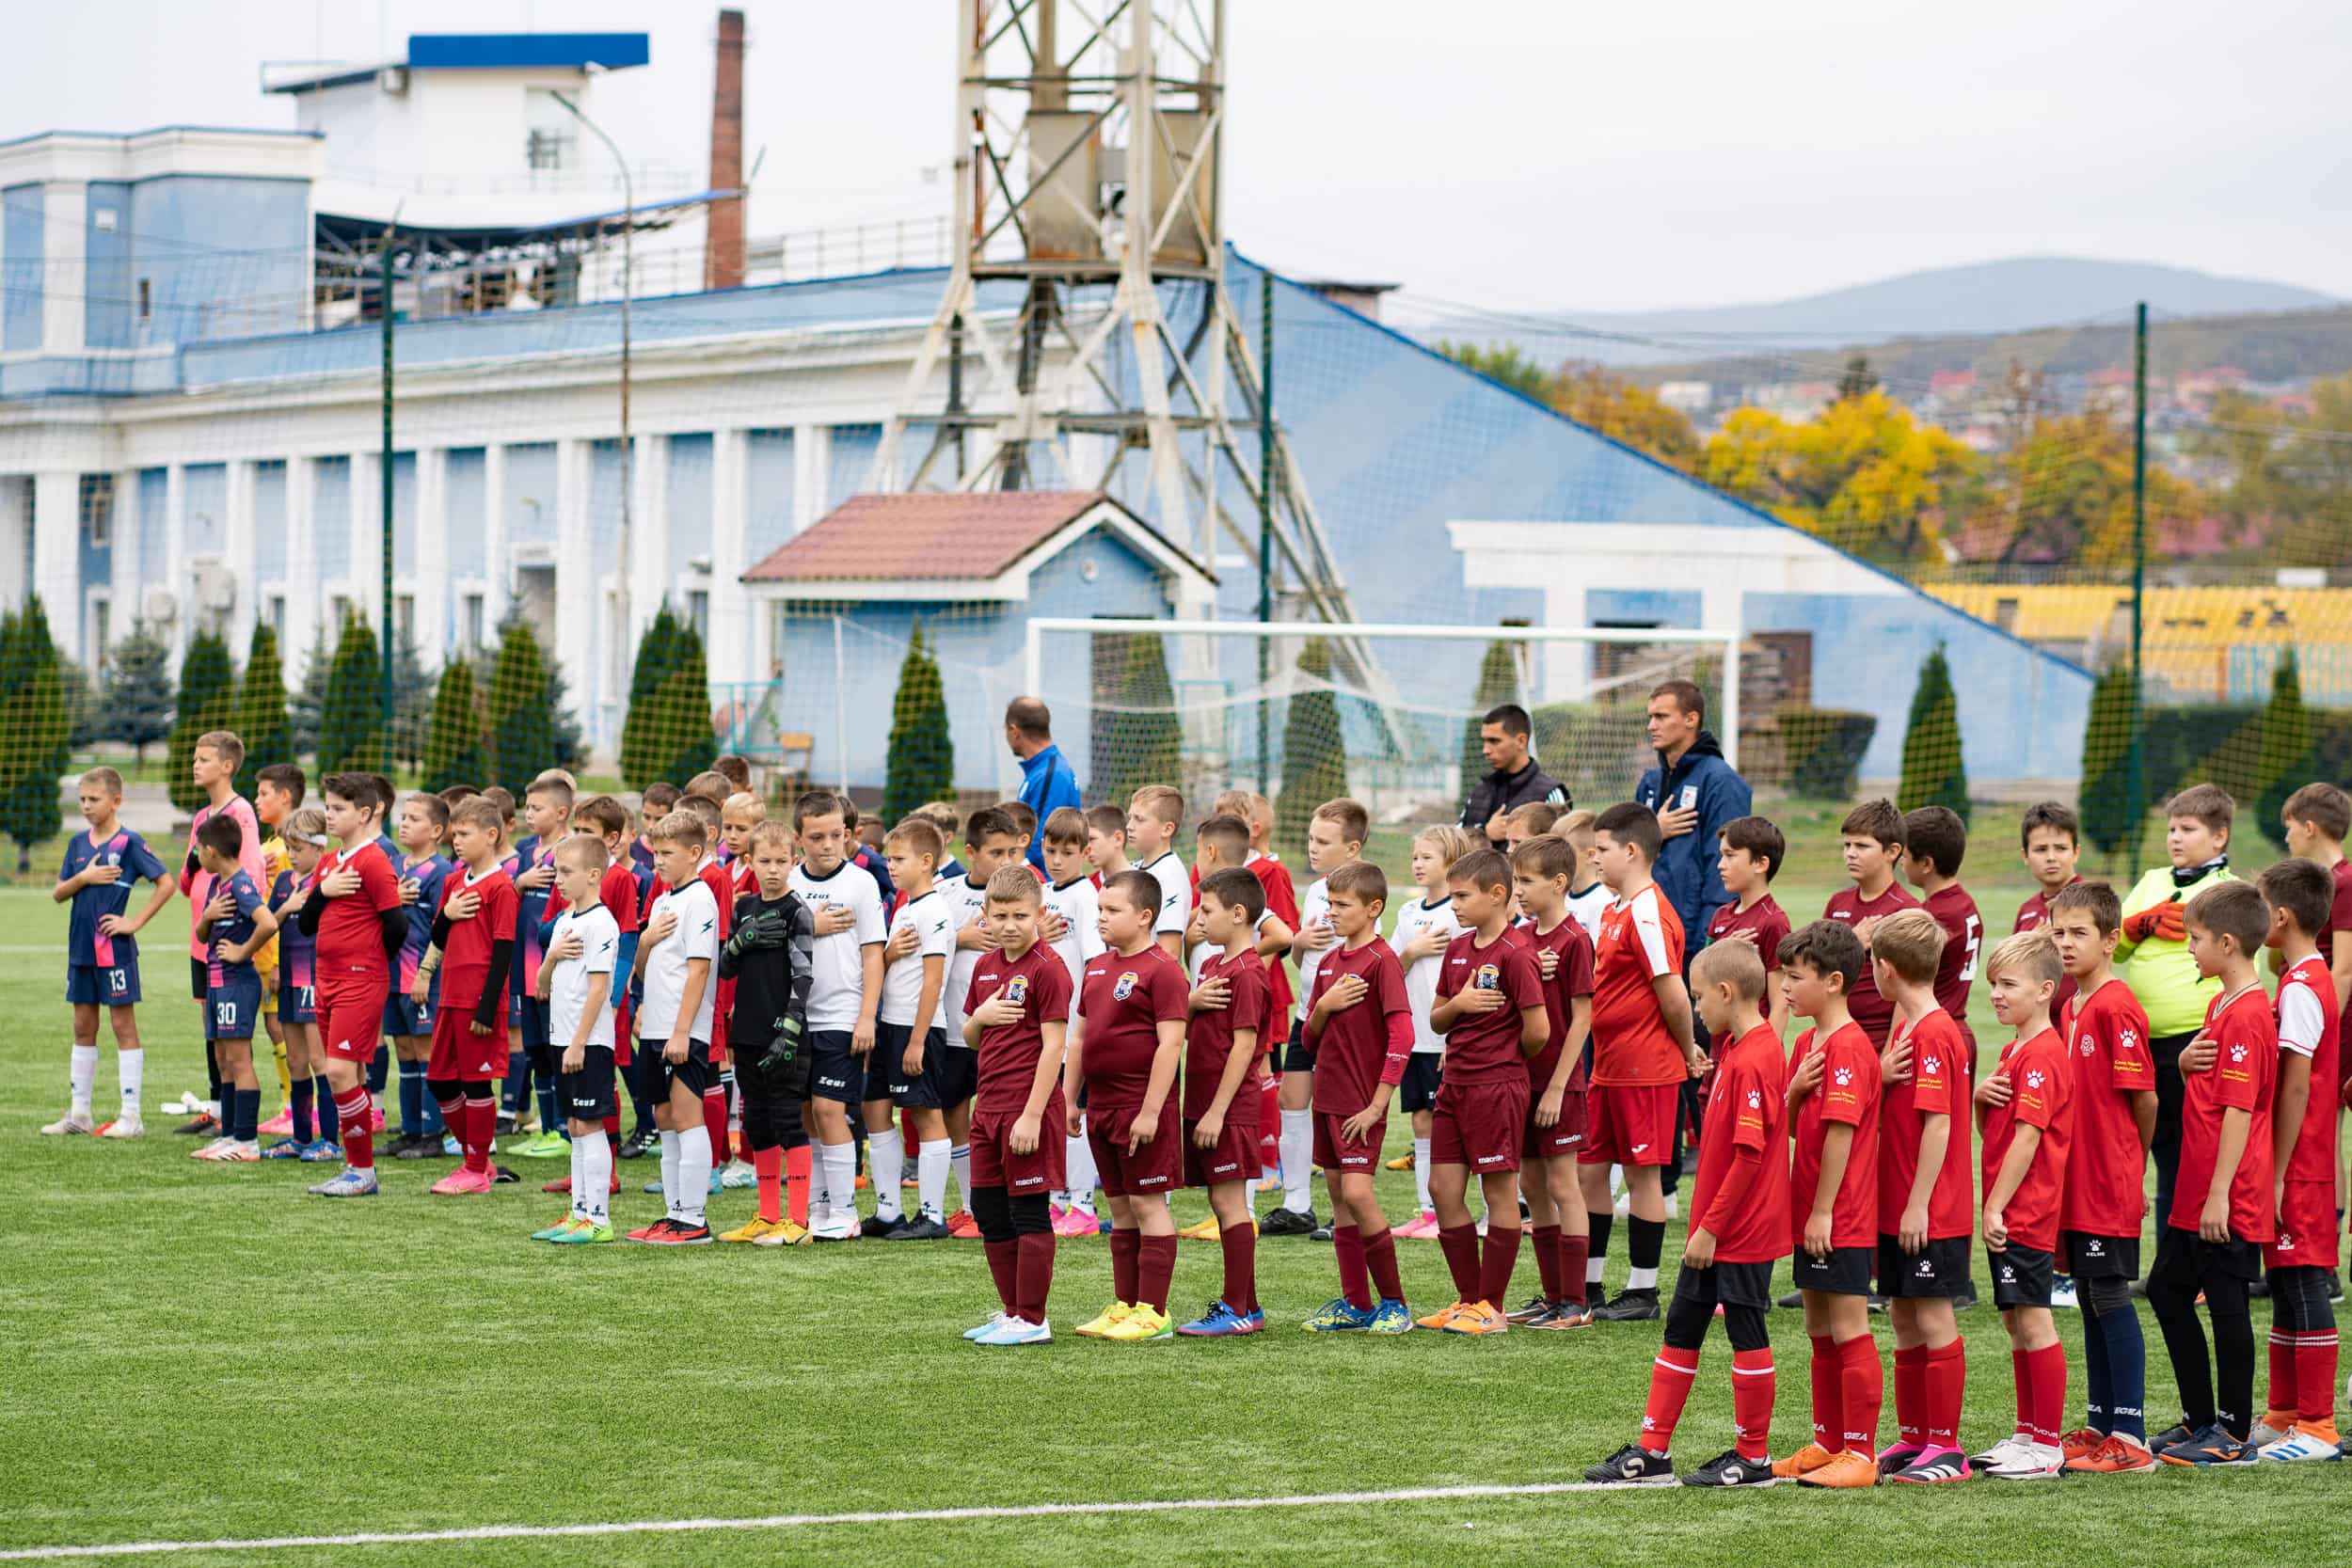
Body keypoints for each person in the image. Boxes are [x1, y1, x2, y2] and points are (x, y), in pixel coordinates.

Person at [1583, 939, 1785, 1488]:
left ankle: (1755, 1457)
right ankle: (1653, 1452)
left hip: (1736, 1231)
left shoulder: (1758, 1055)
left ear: (1726, 992)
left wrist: (1711, 1229)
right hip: (1714, 1229)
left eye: (1699, 998)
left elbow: (1749, 1157)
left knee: (1747, 1330)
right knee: (1681, 1327)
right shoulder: (1738, 1052)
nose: (1695, 1009)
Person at [2046, 881, 2158, 1473]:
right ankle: (2100, 1422)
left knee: (2110, 1292)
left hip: (2105, 1180)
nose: (2064, 944)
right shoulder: (2070, 1005)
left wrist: (2128, 1166)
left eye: (2078, 933)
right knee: (2089, 1295)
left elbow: (2145, 1101)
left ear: (2111, 939)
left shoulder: (2117, 1005)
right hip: (2075, 1178)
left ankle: (2132, 1436)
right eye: (2058, 932)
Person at [1419, 847, 1548, 1336]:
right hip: (1454, 1085)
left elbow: (1539, 1029)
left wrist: (1503, 1055)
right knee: (1441, 1188)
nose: (1453, 904)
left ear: (1497, 895)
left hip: (1497, 1086)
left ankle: (1490, 1307)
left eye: (1461, 895)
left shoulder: (1516, 954)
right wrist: (1463, 1004)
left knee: (1498, 1191)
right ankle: (1468, 1298)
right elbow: (1435, 1018)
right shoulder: (1457, 948)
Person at [1772, 919, 1883, 1489]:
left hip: (1840, 1213)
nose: (1785, 987)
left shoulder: (1849, 1045)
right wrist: (1791, 1093)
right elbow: (1791, 1129)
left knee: (1847, 1325)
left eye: (1795, 977)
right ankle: (1827, 1441)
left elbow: (1841, 1133)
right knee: (1818, 1326)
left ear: (1834, 981)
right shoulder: (1806, 1043)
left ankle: (1860, 1454)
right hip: (1809, 1205)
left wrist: (1823, 1211)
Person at [1580, 802, 1700, 1320]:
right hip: (1608, 1065)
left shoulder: (1649, 910)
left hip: (1645, 1067)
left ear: (1631, 851)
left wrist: (1686, 1045)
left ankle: (1643, 1292)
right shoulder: (1615, 908)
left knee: (1641, 1177)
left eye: (1602, 849)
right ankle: (1587, 1284)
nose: (1594, 857)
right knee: (1590, 1173)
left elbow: (1672, 990)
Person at [1867, 910, 1974, 1484]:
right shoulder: (1905, 1027)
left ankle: (1947, 1448)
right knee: (1905, 1317)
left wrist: (1917, 1204)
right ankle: (1913, 1437)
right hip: (1900, 1203)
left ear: (1885, 969)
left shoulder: (1934, 1030)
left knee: (1933, 1319)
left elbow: (1938, 1125)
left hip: (1928, 1209)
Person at [1067, 870, 1190, 1342]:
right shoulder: (1096, 967)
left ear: (1145, 917)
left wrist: (1151, 1111)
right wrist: (1070, 1100)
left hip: (1141, 1110)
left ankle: (1154, 1313)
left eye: (1112, 910)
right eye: (1099, 909)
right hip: (1100, 1108)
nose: (1101, 918)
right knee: (1119, 1207)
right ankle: (1125, 1305)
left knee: (1147, 1203)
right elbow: (1080, 1039)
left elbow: (1169, 1045)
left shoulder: (1163, 970)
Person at [1970, 928, 2075, 1481]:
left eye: (2009, 984)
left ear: (2045, 991)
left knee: (2034, 1322)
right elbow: (1999, 1130)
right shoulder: (2014, 1050)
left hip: (2025, 1212)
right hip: (2010, 1210)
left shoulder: (2041, 1055)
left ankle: (2047, 1445)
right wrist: (1980, 1102)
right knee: (2015, 1321)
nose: (1997, 994)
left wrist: (1995, 1207)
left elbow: (2030, 1138)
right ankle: (2027, 1433)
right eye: (1993, 984)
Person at [1299, 860, 1418, 1335]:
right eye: (1329, 903)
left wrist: (1376, 1104)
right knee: (1338, 1197)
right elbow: (1308, 1040)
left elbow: (1402, 1036)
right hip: (1326, 1100)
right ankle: (1356, 1304)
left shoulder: (1382, 962)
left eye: (1342, 905)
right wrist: (1324, 1008)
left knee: (1356, 1192)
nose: (1332, 912)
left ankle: (1396, 1304)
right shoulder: (1329, 962)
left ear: (1374, 908)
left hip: (1359, 1105)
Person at [2114, 784, 2235, 1245]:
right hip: (2143, 1042)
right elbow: (2117, 946)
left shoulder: (2228, 892)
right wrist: (2141, 923)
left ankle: (2205, 1259)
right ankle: (2170, 1261)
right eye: (2171, 829)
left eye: (2188, 829)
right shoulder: (2152, 880)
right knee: (2162, 1148)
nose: (2175, 838)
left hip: (2196, 1041)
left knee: (2197, 1149)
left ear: (2220, 837)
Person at [2249, 859, 2341, 1462]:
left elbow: (2297, 1088)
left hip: (2302, 1167)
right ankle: (2284, 1412)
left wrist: (2276, 1172)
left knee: (2305, 1284)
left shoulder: (2304, 988)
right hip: (2295, 1164)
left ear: (2278, 918)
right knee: (2284, 1284)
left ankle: (2319, 1426)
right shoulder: (2300, 977)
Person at [962, 864, 1076, 1345]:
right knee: (989, 1212)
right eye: (1001, 915)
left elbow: (1055, 1048)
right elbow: (970, 1037)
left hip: (1027, 1110)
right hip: (986, 1108)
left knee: (1028, 1212)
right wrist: (982, 1017)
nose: (1010, 925)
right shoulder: (985, 966)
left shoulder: (1048, 968)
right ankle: (1011, 1312)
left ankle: (1033, 1318)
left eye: (1020, 915)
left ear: (1039, 914)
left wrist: (1031, 1116)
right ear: (985, 915)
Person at [43, 768, 173, 1138]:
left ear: (116, 801)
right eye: (82, 799)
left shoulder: (129, 843)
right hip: (80, 949)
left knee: (122, 1026)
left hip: (113, 950)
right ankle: (79, 1114)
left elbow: (165, 884)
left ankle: (131, 1117)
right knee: (83, 1026)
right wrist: (82, 878)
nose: (86, 806)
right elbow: (58, 893)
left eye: (94, 799)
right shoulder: (77, 845)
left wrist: (133, 922)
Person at [1175, 867, 1273, 1336]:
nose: (1199, 919)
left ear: (1238, 914)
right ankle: (1247, 1305)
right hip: (1202, 1101)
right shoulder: (1213, 966)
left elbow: (1245, 1045)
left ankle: (1237, 1310)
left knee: (1231, 1204)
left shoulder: (1250, 971)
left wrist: (1216, 1111)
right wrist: (1191, 1004)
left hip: (1227, 1109)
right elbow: (1193, 1032)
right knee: (1220, 1200)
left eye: (1207, 910)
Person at [297, 774, 405, 1196]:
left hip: (359, 981)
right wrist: (323, 890)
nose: (329, 814)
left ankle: (362, 1171)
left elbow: (396, 924)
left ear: (364, 813)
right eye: (327, 806)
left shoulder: (374, 859)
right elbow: (306, 923)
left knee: (339, 1071)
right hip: (325, 978)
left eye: (338, 808)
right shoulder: (327, 862)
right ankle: (357, 1169)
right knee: (348, 1074)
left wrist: (371, 963)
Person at [787, 791, 886, 1242]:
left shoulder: (861, 884)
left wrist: (866, 1017)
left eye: (835, 836)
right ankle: (819, 1203)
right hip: (796, 1017)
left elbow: (872, 956)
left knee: (831, 1109)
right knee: (808, 1112)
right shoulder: (789, 881)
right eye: (816, 837)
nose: (827, 845)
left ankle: (845, 1211)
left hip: (841, 1014)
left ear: (848, 836)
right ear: (799, 839)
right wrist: (809, 923)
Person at [1509, 834, 1597, 1328]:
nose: (1518, 890)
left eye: (1527, 881)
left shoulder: (1574, 940)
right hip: (1521, 1083)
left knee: (1564, 1185)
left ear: (1559, 883)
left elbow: (1582, 1019)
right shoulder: (1521, 938)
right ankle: (1550, 1294)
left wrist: (1560, 1086)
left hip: (1558, 1084)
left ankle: (1576, 1301)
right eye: (1516, 879)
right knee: (1531, 1185)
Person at [1270, 798, 1369, 1238]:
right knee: (1291, 1100)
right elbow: (1298, 958)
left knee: (1338, 1113)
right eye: (1311, 838)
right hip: (1306, 1015)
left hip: (1344, 1023)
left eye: (1323, 841)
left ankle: (1344, 1212)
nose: (1312, 847)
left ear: (1352, 848)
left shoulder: (1365, 891)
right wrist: (1300, 940)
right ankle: (1297, 1205)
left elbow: (1368, 960)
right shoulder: (1315, 891)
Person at [717, 819, 818, 1246]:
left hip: (785, 1035)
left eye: (781, 861)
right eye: (765, 861)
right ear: (749, 861)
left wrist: (790, 1030)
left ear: (794, 862)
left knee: (787, 1121)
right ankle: (767, 1215)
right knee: (757, 1123)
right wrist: (742, 940)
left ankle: (797, 1222)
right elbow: (725, 968)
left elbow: (804, 975)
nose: (773, 869)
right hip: (748, 1031)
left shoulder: (798, 912)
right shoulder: (743, 908)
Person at [628, 812, 723, 1245]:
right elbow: (645, 968)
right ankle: (672, 1213)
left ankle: (695, 1219)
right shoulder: (663, 899)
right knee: (663, 1116)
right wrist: (645, 943)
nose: (658, 861)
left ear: (695, 853)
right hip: (656, 1026)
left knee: (687, 1116)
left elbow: (699, 971)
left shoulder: (701, 899)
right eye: (655, 853)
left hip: (684, 1030)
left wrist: (683, 1031)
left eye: (667, 854)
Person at [418, 798, 516, 1196]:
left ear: (491, 835)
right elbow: (438, 936)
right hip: (449, 997)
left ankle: (475, 1169)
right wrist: (448, 913)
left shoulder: (502, 888)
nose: (455, 841)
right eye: (453, 834)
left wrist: (488, 1007)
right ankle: (477, 1160)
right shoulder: (452, 883)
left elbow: (504, 950)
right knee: (440, 1081)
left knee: (476, 1084)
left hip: (479, 1002)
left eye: (464, 834)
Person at [866, 816, 958, 1241]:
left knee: (924, 1114)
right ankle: (888, 1211)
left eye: (899, 858)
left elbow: (934, 980)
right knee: (875, 1110)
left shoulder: (936, 910)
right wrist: (886, 953)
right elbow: (889, 966)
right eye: (888, 858)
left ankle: (933, 1214)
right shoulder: (904, 906)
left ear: (926, 860)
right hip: (889, 1025)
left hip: (917, 1031)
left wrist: (918, 1040)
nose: (891, 866)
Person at [175, 730, 264, 1137]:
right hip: (202, 937)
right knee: (211, 1028)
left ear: (227, 766)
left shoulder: (241, 813)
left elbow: (247, 877)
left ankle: (235, 1124)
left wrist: (240, 938)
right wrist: (193, 871)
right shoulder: (199, 819)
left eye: (204, 758)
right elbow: (184, 879)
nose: (196, 764)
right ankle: (215, 1110)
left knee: (231, 1035)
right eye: (195, 757)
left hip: (229, 942)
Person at [532, 837, 621, 1243]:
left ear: (593, 875)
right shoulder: (565, 921)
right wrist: (551, 957)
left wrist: (580, 1042)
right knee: (573, 1125)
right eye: (557, 872)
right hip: (561, 1036)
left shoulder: (601, 924)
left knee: (588, 1124)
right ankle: (578, 1212)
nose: (559, 880)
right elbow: (541, 986)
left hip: (588, 1043)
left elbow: (600, 990)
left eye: (566, 872)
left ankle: (598, 1218)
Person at [1390, 824, 1474, 1238]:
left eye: (1427, 857)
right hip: (1416, 1038)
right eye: (1415, 857)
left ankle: (1454, 1210)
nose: (1417, 864)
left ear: (1452, 863)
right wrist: (1411, 951)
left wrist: (1457, 1034)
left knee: (1454, 1126)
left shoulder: (1459, 915)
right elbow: (1389, 969)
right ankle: (1428, 1212)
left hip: (1449, 1039)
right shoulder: (1407, 914)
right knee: (1422, 1122)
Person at [1635, 678, 1752, 948]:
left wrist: (1709, 936)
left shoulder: (1721, 782)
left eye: (1661, 717)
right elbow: (1626, 851)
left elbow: (1725, 864)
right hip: (1647, 927)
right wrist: (1654, 832)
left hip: (1691, 935)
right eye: (1650, 717)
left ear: (1691, 719)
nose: (1651, 725)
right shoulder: (1650, 782)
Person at [190, 815, 278, 1161]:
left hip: (236, 983)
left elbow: (268, 922)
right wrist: (208, 916)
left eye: (198, 848)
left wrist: (243, 951)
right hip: (216, 981)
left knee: (239, 1060)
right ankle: (229, 1136)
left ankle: (247, 1141)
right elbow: (202, 936)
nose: (196, 853)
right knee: (223, 1059)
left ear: (211, 850)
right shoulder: (218, 885)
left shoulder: (241, 885)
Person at [1038, 806, 1105, 1236]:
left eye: (1067, 851)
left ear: (1084, 852)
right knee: (1050, 1113)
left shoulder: (1086, 896)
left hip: (1074, 1030)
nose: (1057, 859)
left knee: (1072, 1112)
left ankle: (1082, 1205)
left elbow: (1095, 962)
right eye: (1050, 850)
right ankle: (1056, 1198)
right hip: (1045, 1028)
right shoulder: (1042, 892)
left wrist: (1088, 1022)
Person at [263, 810, 336, 1161]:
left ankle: (333, 1141)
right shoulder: (283, 882)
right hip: (289, 977)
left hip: (314, 978)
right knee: (295, 1061)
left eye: (298, 847)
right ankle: (302, 1137)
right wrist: (285, 909)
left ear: (319, 847)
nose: (291, 855)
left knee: (319, 1060)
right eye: (288, 847)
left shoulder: (327, 879)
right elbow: (269, 924)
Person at [503, 778, 570, 1155]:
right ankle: (545, 1129)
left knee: (555, 1047)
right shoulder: (525, 851)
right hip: (522, 967)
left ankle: (563, 1130)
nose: (529, 814)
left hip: (551, 970)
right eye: (527, 807)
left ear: (561, 813)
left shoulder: (570, 851)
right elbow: (506, 897)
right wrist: (520, 882)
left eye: (537, 808)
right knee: (534, 1049)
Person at [387, 794, 453, 1160]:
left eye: (414, 818)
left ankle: (432, 1133)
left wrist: (426, 975)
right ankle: (410, 1130)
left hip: (422, 978)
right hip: (393, 975)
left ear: (437, 830)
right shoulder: (395, 864)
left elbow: (442, 930)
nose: (405, 823)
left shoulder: (441, 872)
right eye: (404, 817)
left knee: (427, 1052)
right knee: (405, 1051)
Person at [1822, 800, 1918, 1047]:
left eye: (1862, 846)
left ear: (1892, 851)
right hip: (1836, 1034)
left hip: (1878, 1039)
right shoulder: (1838, 903)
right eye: (1847, 845)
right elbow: (1817, 969)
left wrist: (1888, 1053)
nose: (1850, 853)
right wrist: (1851, 942)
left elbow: (1907, 995)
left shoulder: (1906, 910)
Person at [250, 763, 303, 1138]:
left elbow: (288, 907)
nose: (257, 800)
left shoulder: (289, 850)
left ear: (285, 796)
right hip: (264, 952)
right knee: (274, 1028)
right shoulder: (268, 846)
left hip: (280, 955)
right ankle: (289, 1104)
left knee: (282, 1027)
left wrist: (278, 962)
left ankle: (295, 1107)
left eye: (264, 793)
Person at [1709, 816, 1791, 1038]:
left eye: (1730, 855)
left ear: (1760, 864)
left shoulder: (1773, 921)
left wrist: (1765, 1054)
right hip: (1718, 1051)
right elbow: (1703, 979)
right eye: (1721, 855)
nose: (1720, 865)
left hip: (1751, 1049)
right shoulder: (1720, 916)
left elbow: (1780, 1005)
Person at [2012, 801, 2086, 1016]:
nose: (2051, 857)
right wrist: (2031, 943)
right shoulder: (2027, 909)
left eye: (2061, 848)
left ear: (2076, 852)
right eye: (2041, 849)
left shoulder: (2091, 900)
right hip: (2033, 1026)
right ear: (2025, 856)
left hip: (2076, 1026)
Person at [1461, 703, 1567, 846]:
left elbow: (1560, 850)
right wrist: (1486, 833)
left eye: (1494, 741)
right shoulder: (1479, 791)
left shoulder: (1551, 793)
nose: (1485, 750)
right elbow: (1455, 846)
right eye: (1484, 741)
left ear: (1521, 741)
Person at [1005, 697, 1082, 872]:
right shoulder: (1042, 770)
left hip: (1040, 883)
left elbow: (1041, 840)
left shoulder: (1051, 774)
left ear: (1014, 731)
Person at [1124, 786, 1191, 961]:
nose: (1129, 826)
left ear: (1167, 829)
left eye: (1139, 819)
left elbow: (1169, 950)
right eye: (1130, 817)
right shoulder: (1135, 868)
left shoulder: (1169, 875)